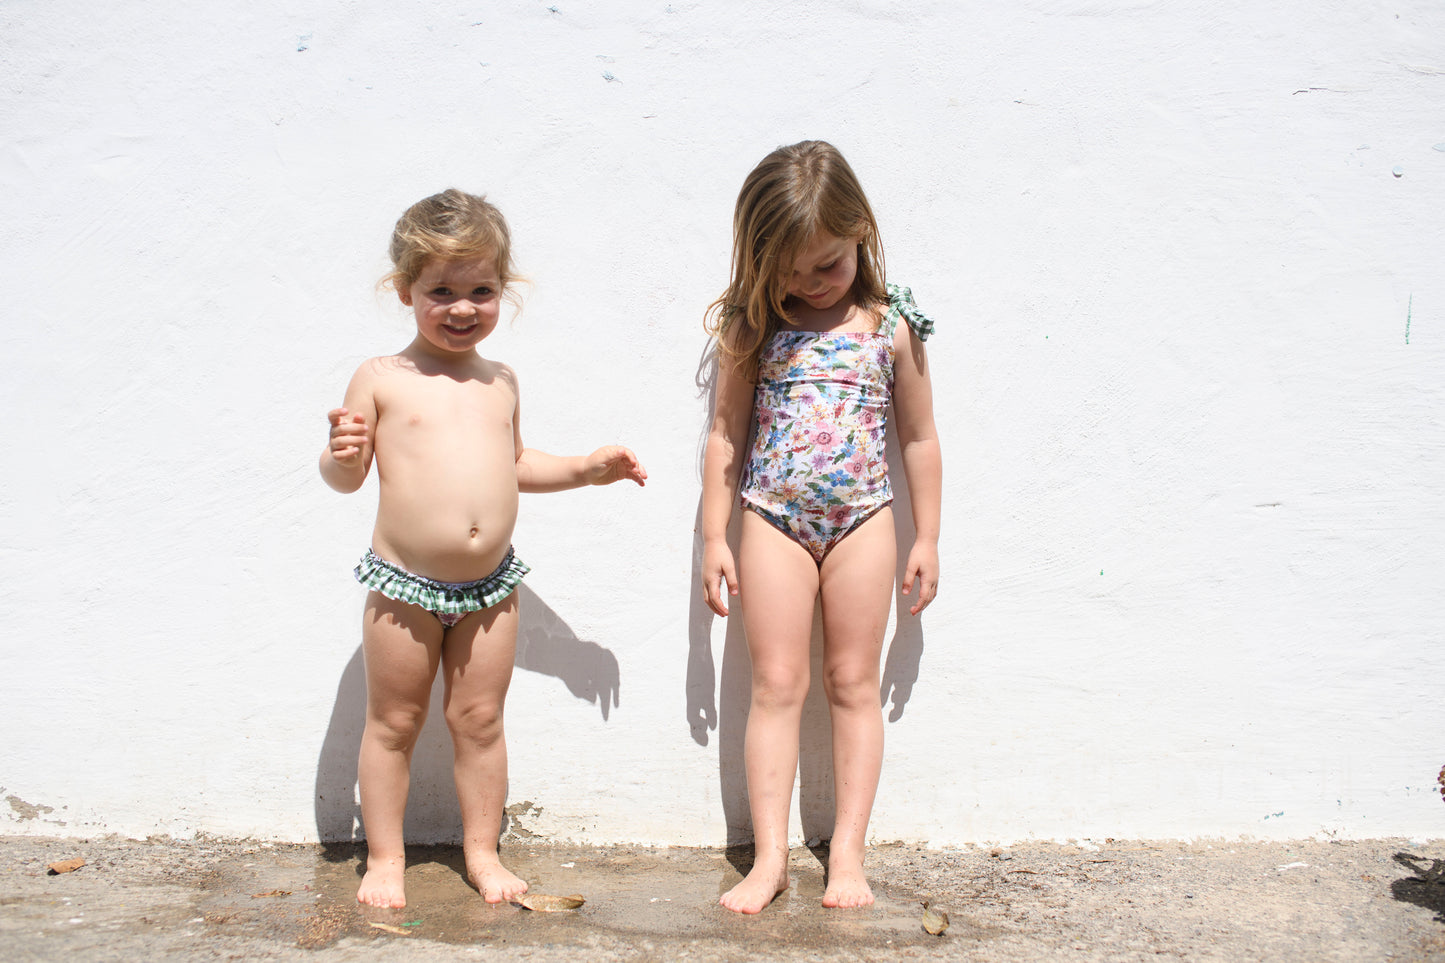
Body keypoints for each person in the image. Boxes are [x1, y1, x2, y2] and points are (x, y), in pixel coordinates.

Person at [320, 189, 646, 909]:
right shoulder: (381, 376)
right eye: (441, 291)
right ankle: (384, 856)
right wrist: (341, 454)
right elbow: (345, 477)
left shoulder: (500, 381)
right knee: (396, 721)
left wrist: (585, 472)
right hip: (405, 586)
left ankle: (480, 850)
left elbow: (516, 464)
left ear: (504, 289)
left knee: (480, 720)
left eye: (481, 290)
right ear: (404, 289)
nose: (462, 307)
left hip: (491, 588)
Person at [700, 141, 941, 913]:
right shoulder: (753, 326)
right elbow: (725, 436)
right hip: (771, 515)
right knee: (775, 682)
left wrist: (926, 535)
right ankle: (768, 856)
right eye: (791, 270)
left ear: (860, 233)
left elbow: (918, 439)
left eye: (827, 265)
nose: (808, 283)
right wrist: (712, 535)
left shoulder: (890, 325)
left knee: (849, 680)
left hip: (864, 516)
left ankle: (845, 852)